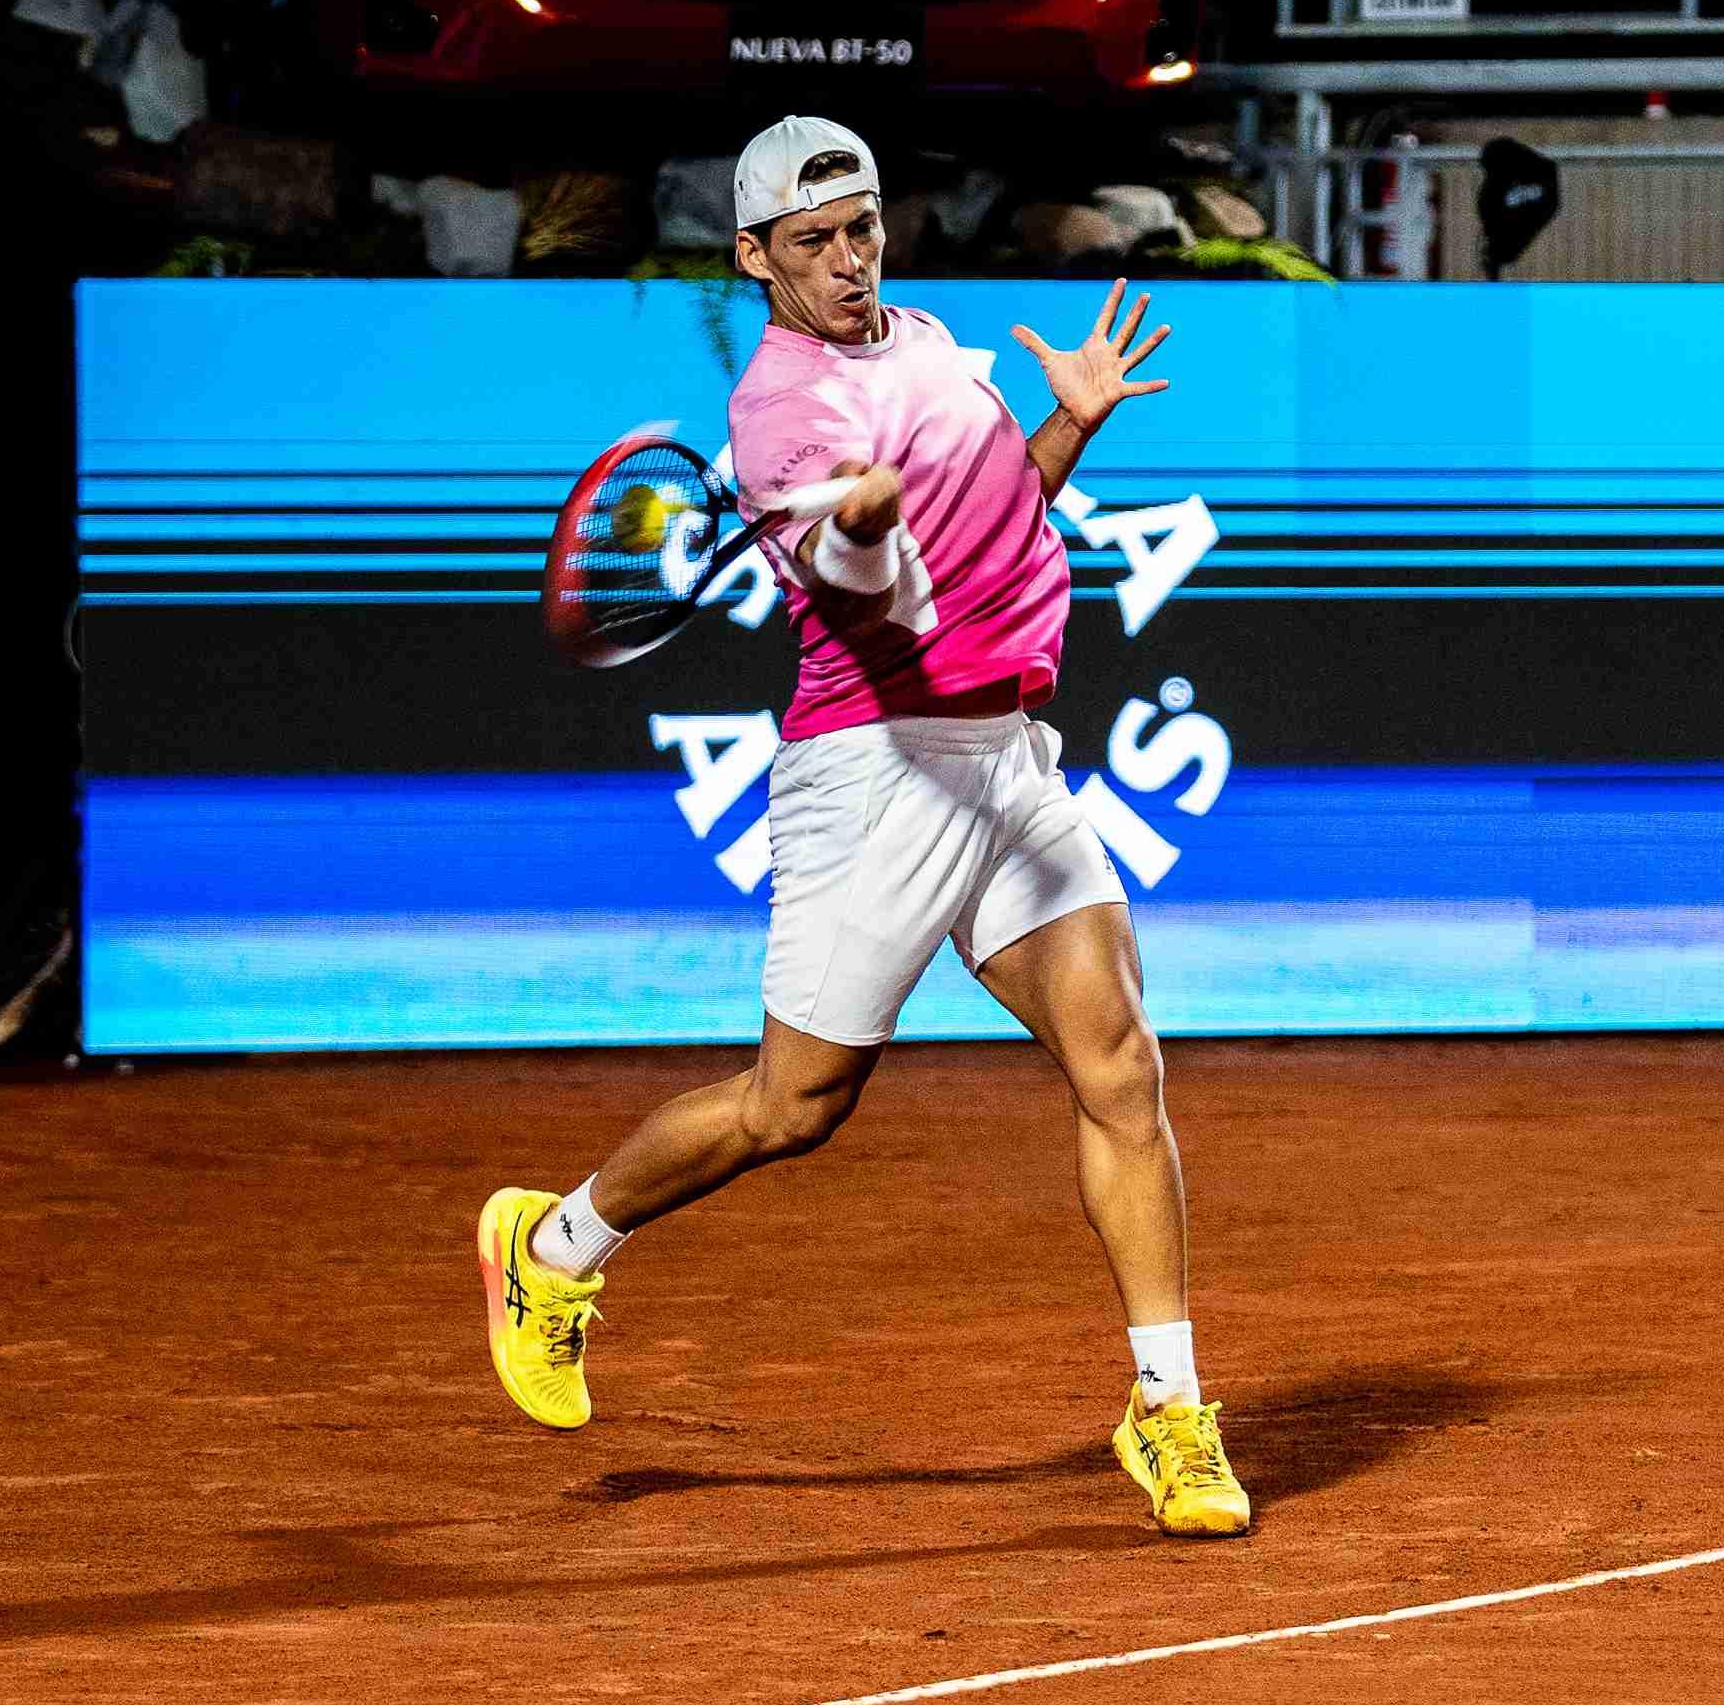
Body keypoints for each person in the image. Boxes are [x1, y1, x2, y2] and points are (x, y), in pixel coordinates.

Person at [474, 116, 1251, 1538]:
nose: (849, 262)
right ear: (756, 256)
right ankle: (557, 1240)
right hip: (877, 773)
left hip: (1008, 756)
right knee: (794, 1108)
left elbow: (1007, 520)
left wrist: (1064, 425)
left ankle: (1169, 1410)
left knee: (1120, 1061)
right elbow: (868, 599)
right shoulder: (782, 418)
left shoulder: (925, 337)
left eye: (866, 229)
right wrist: (863, 530)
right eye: (816, 242)